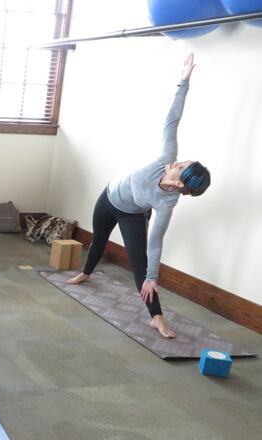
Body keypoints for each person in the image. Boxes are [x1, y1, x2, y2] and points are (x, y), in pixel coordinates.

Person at [66, 53, 210, 339]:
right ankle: (86, 272)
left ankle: (156, 317)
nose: (179, 162)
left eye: (182, 167)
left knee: (141, 266)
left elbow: (156, 241)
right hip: (109, 196)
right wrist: (183, 82)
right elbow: (172, 120)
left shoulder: (166, 203)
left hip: (131, 213)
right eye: (184, 162)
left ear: (180, 184)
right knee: (98, 238)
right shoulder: (167, 156)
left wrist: (152, 277)